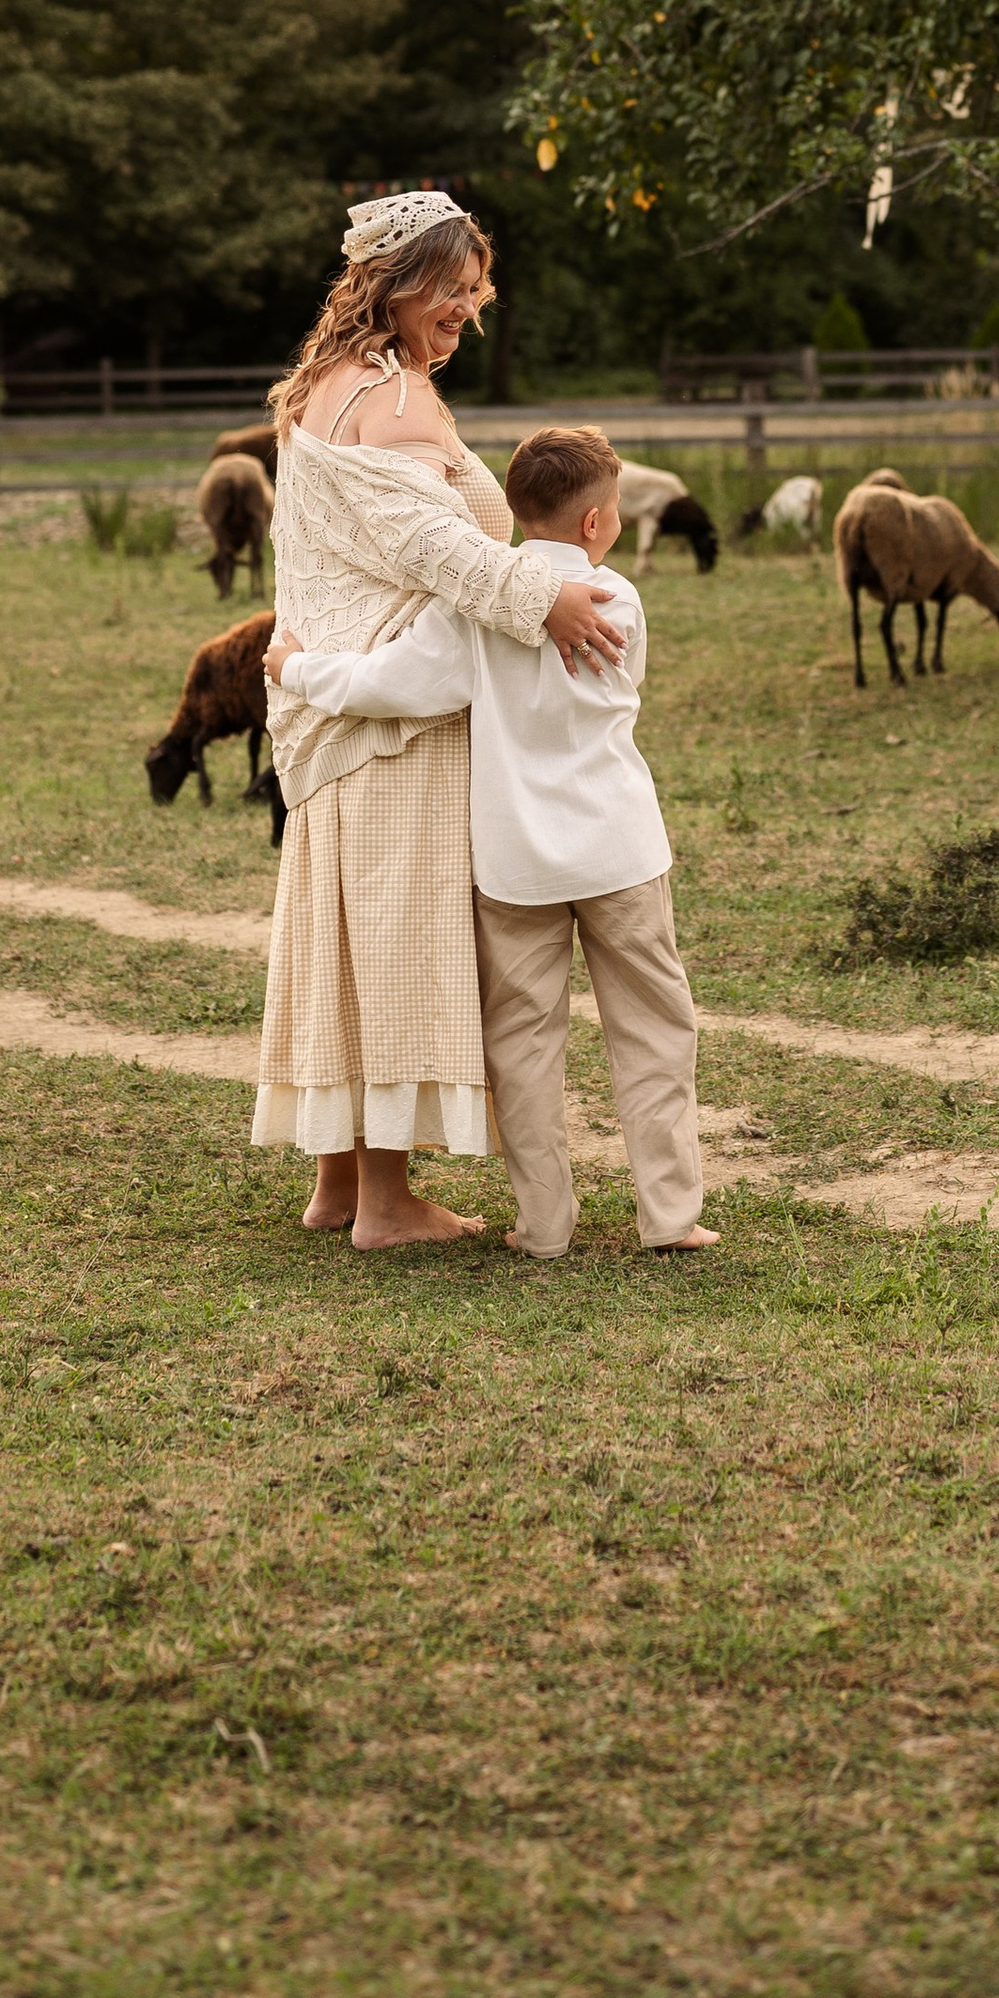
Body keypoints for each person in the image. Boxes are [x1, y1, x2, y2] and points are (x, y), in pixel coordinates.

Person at [255, 192, 625, 1252]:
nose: (468, 306)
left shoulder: (324, 386)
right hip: (395, 715)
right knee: (397, 942)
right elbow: (431, 548)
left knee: (347, 938)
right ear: (396, 281)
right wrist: (538, 595)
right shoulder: (398, 395)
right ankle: (385, 1204)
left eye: (475, 288)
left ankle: (337, 1182)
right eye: (452, 287)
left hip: (336, 699)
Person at [272, 423, 716, 1261]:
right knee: (656, 1031)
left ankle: (545, 1227)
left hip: (515, 865)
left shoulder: (473, 614)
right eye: (614, 506)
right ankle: (670, 1216)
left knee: (522, 1044)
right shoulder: (620, 600)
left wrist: (295, 669)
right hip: (620, 854)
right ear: (595, 523)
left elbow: (386, 687)